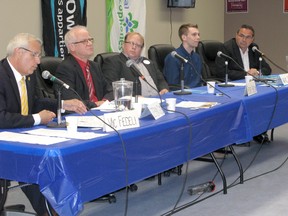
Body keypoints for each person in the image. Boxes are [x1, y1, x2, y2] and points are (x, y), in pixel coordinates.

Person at [0, 33, 87, 215]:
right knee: (35, 163)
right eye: (35, 55)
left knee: (47, 161)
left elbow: (37, 101)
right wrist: (37, 118)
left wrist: (62, 105)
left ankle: (53, 210)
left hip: (21, 137)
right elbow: (1, 117)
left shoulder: (28, 76)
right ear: (18, 52)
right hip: (5, 142)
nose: (38, 61)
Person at [215, 24, 271, 144]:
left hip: (252, 86)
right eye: (241, 36)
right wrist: (246, 74)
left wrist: (257, 72)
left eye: (247, 37)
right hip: (234, 87)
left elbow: (267, 69)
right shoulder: (226, 48)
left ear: (252, 40)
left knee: (263, 99)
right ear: (236, 36)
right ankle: (240, 133)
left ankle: (258, 131)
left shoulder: (254, 49)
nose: (244, 39)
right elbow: (221, 72)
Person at [53, 25, 113, 109]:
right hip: (81, 115)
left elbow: (110, 91)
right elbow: (70, 100)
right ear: (72, 47)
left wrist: (104, 101)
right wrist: (96, 105)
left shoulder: (94, 66)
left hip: (100, 111)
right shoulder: (65, 68)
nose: (90, 43)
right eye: (84, 41)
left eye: (90, 40)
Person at [102, 32, 169, 97]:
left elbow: (161, 80)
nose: (134, 47)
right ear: (123, 44)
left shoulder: (149, 63)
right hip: (135, 103)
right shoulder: (113, 62)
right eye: (131, 43)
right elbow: (112, 87)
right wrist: (134, 97)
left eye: (138, 45)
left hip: (158, 100)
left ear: (142, 49)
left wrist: (164, 89)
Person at [164, 23, 203, 88]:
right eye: (194, 35)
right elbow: (173, 86)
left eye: (198, 34)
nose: (198, 37)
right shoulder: (173, 58)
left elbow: (199, 81)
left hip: (198, 92)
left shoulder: (197, 57)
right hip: (181, 94)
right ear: (184, 37)